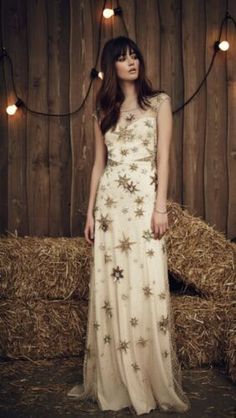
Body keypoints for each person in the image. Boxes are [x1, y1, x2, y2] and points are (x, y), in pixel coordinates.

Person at [68, 36, 191, 415]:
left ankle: (146, 375)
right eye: (122, 58)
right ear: (112, 67)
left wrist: (160, 208)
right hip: (109, 208)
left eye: (134, 55)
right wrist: (89, 213)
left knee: (146, 282)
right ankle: (115, 378)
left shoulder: (160, 103)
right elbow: (97, 166)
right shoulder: (104, 110)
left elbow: (164, 159)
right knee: (111, 286)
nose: (131, 62)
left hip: (143, 205)